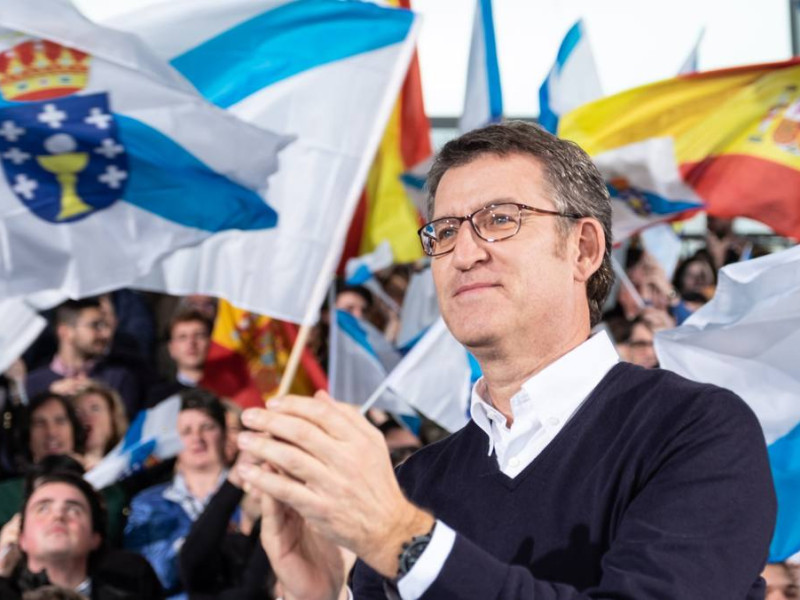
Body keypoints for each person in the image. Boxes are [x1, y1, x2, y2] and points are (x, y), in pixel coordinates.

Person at [235, 121, 776, 599]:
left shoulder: (696, 430)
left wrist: (403, 542)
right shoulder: (415, 483)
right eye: (445, 231)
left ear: (584, 249)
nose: (464, 253)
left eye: (499, 219)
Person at [124, 388, 228, 598]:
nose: (197, 438)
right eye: (186, 431)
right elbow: (153, 574)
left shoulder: (251, 495)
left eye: (207, 427)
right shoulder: (147, 504)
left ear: (224, 433)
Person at [0, 470, 162, 599]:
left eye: (74, 510)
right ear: (21, 537)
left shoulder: (133, 590)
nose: (58, 515)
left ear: (95, 537)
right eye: (43, 508)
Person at [24, 299, 144, 420]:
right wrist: (51, 399)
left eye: (104, 325)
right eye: (95, 326)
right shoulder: (32, 384)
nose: (105, 334)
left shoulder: (119, 378)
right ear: (65, 332)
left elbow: (125, 426)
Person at [147, 309, 213, 407]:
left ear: (211, 343)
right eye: (182, 337)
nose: (191, 343)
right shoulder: (159, 397)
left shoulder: (230, 392)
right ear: (171, 348)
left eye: (199, 335)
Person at [71, 383, 128, 470]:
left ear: (113, 419)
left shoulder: (127, 463)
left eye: (95, 409)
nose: (86, 416)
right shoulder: (64, 466)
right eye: (77, 412)